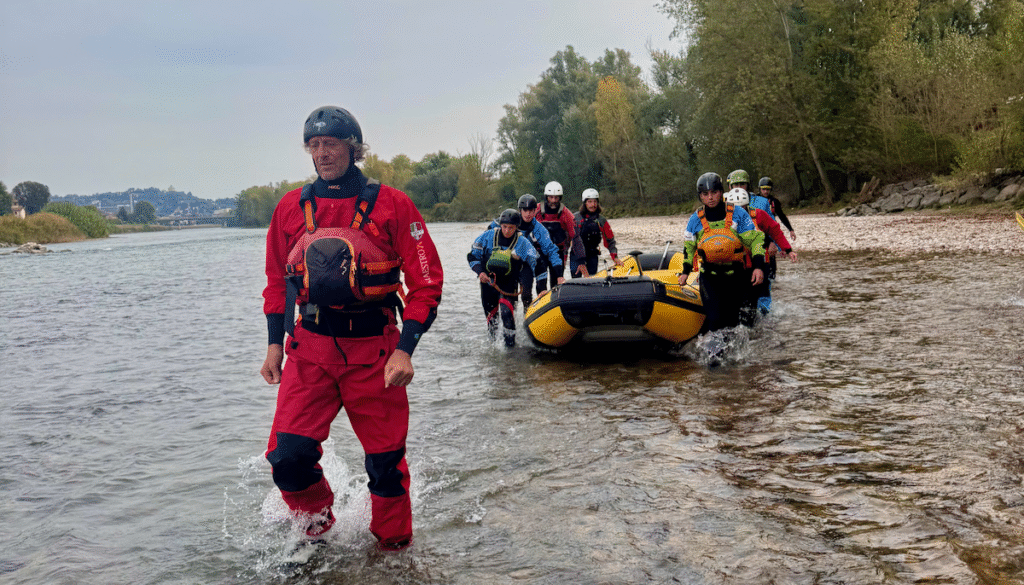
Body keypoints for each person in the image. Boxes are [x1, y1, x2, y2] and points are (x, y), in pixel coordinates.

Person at [260, 106, 443, 553]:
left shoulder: (394, 204)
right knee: (287, 457)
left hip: (376, 353)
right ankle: (317, 531)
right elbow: (277, 282)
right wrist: (273, 346)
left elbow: (427, 284)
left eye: (331, 144)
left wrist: (406, 350)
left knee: (385, 466)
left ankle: (394, 553)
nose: (322, 153)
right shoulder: (289, 208)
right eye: (314, 145)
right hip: (310, 350)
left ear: (354, 149)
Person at [678, 172, 767, 336]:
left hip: (736, 276)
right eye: (705, 194)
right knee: (715, 320)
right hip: (709, 278)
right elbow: (689, 247)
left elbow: (755, 241)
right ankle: (715, 350)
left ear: (721, 192)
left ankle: (741, 349)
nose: (710, 197)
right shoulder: (695, 219)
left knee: (733, 322)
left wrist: (758, 267)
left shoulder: (738, 214)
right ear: (700, 196)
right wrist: (685, 271)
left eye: (714, 192)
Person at [469, 209, 539, 346]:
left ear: (516, 227)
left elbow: (537, 263)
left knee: (507, 314)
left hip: (509, 284)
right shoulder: (487, 236)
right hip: (488, 283)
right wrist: (480, 273)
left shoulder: (523, 242)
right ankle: (493, 349)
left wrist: (540, 287)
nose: (507, 231)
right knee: (492, 320)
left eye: (511, 228)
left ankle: (511, 349)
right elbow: (472, 256)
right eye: (504, 226)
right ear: (500, 225)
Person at [723, 187, 797, 317]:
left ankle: (765, 316)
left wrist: (788, 250)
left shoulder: (759, 215)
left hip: (760, 260)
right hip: (738, 263)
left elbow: (775, 231)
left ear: (747, 205)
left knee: (762, 291)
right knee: (742, 296)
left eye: (742, 207)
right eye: (735, 207)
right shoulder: (722, 218)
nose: (739, 210)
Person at [487, 194, 564, 307]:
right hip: (507, 262)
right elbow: (488, 233)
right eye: (525, 210)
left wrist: (559, 275)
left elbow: (551, 250)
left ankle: (529, 313)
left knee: (526, 295)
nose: (528, 214)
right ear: (520, 210)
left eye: (531, 210)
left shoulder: (539, 229)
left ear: (535, 211)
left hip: (525, 263)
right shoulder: (507, 220)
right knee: (507, 296)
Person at [536, 181, 588, 280]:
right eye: (551, 197)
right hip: (540, 252)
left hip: (558, 252)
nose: (553, 201)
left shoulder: (566, 214)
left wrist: (581, 261)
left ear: (560, 198)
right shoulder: (537, 210)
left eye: (556, 198)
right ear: (546, 197)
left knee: (557, 282)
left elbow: (576, 238)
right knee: (541, 282)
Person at [573, 188, 623, 275]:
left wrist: (614, 257)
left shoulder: (601, 220)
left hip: (592, 254)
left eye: (595, 202)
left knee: (592, 279)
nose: (593, 205)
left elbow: (610, 240)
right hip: (576, 255)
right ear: (584, 203)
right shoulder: (575, 218)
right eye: (590, 202)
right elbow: (568, 239)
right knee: (576, 279)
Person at [758, 177, 795, 243]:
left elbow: (782, 216)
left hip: (771, 228)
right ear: (760, 189)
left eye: (768, 189)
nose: (766, 191)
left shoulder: (774, 201)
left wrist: (791, 230)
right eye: (763, 189)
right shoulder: (753, 199)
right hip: (758, 229)